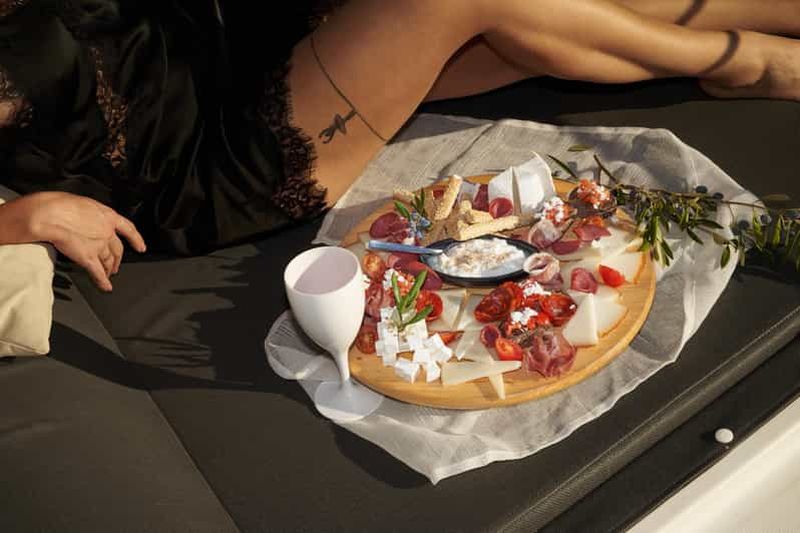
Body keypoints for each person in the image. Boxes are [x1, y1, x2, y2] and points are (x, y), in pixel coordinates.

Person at [0, 0, 797, 292]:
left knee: (529, 16)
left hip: (227, 47)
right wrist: (24, 217)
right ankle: (749, 63)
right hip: (204, 162)